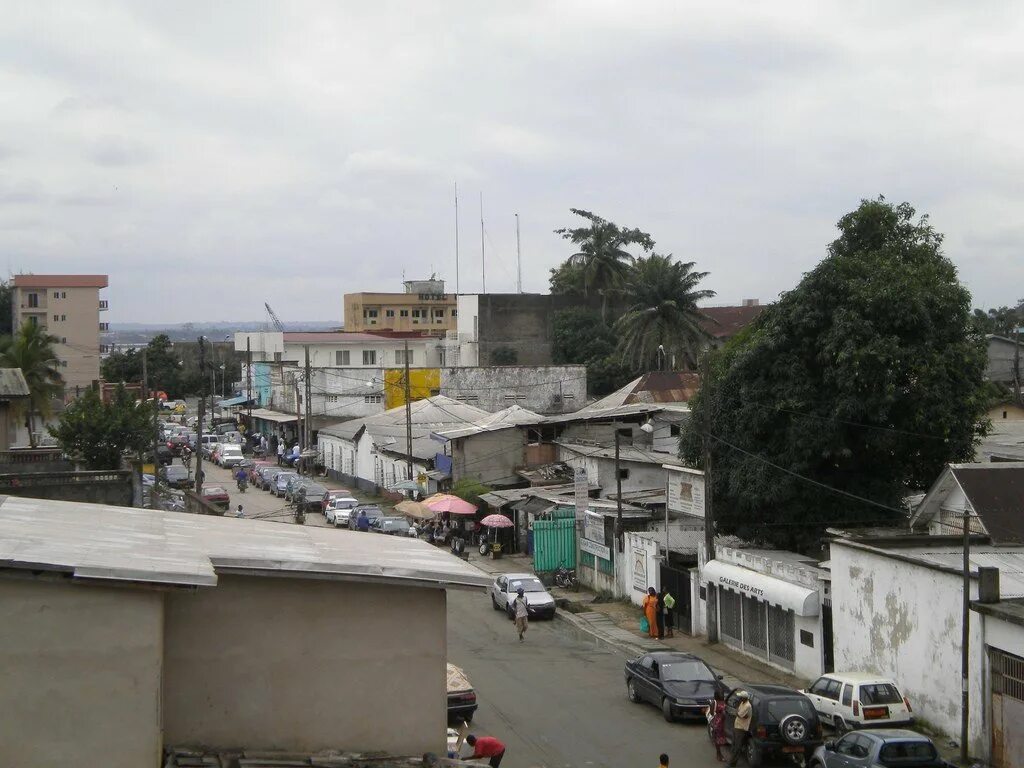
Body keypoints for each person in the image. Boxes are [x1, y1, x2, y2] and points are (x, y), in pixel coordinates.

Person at [727, 691, 753, 767]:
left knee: (737, 747)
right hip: (737, 726)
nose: (739, 698)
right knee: (734, 745)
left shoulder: (747, 706)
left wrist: (735, 712)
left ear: (744, 698)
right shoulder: (743, 703)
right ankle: (732, 761)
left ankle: (732, 764)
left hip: (741, 728)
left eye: (741, 697)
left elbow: (739, 714)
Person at [708, 690, 728, 761]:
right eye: (720, 694)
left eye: (722, 693)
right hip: (717, 722)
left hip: (723, 722)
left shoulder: (723, 701)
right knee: (718, 739)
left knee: (721, 738)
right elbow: (711, 713)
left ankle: (719, 754)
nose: (722, 695)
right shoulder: (714, 702)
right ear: (716, 695)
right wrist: (720, 713)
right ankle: (719, 754)